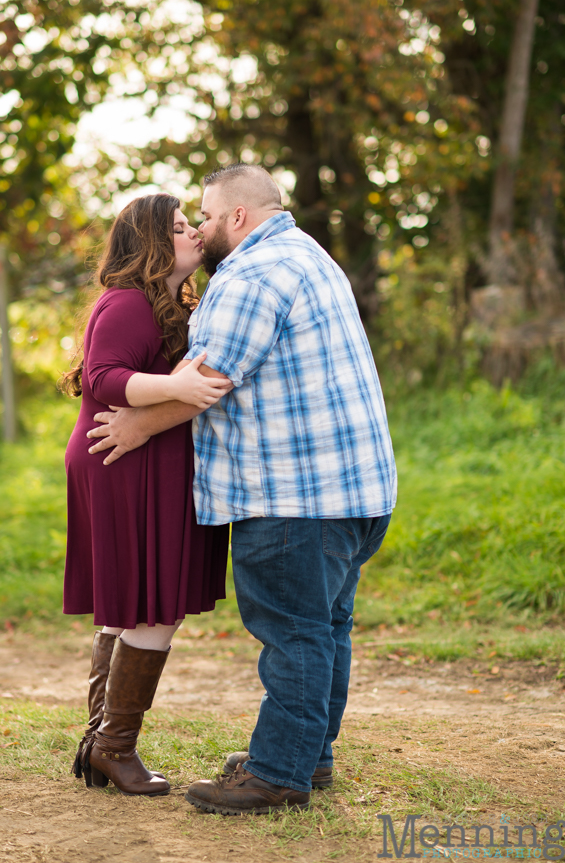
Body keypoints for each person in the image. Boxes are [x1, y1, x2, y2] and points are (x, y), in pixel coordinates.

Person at [86, 164, 397, 814]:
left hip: (293, 495)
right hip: (355, 491)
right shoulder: (306, 254)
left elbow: (210, 375)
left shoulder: (251, 274)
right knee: (323, 628)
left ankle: (278, 772)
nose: (198, 228)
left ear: (236, 217)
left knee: (294, 633)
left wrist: (138, 426)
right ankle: (306, 754)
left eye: (202, 214)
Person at [61, 192, 231, 797]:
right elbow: (103, 376)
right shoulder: (129, 302)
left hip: (139, 459)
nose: (194, 234)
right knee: (153, 605)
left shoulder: (159, 304)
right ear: (153, 244)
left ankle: (99, 744)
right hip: (122, 459)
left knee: (141, 604)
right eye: (181, 228)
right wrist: (176, 384)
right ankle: (113, 747)